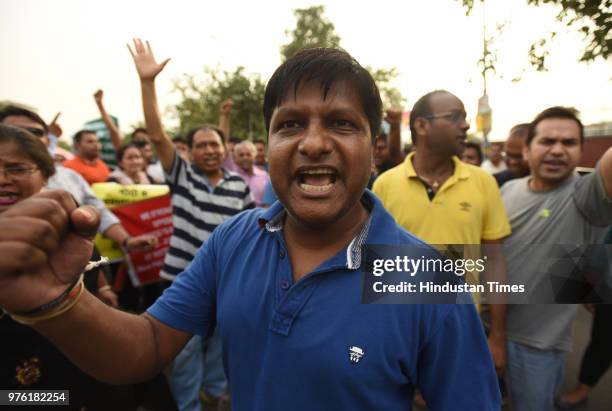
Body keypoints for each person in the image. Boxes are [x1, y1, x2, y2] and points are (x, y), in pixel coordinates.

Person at [0, 45, 501, 410]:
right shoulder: (234, 240)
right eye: (289, 125)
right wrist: (56, 300)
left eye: (342, 124)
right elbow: (147, 346)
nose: (313, 143)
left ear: (376, 147)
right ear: (267, 144)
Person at [129, 39, 253, 410]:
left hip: (227, 280)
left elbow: (249, 230)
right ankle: (188, 406)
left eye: (215, 144)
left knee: (218, 346)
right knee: (182, 353)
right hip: (183, 278)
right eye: (201, 145)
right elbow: (155, 135)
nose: (209, 150)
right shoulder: (182, 175)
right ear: (191, 152)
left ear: (224, 148)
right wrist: (148, 83)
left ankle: (215, 397)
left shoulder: (238, 185)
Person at [373, 90, 511, 380]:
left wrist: (497, 337)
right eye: (455, 117)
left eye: (464, 117)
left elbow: (495, 263)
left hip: (463, 329)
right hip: (399, 333)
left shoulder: (483, 183)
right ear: (421, 126)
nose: (466, 125)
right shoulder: (385, 185)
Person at [0, 124, 135, 410]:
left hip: (79, 384)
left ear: (46, 176)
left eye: (17, 169)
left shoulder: (73, 235)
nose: (2, 179)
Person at [501, 106, 612, 411]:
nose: (557, 150)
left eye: (569, 143)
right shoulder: (507, 190)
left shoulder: (585, 195)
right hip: (488, 329)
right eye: (547, 141)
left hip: (539, 345)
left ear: (581, 151)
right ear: (526, 149)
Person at [0, 105, 156, 252]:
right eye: (13, 131)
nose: (23, 138)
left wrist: (127, 241)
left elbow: (98, 211)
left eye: (35, 132)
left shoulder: (71, 177)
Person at [94, 90, 165, 183]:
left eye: (137, 157)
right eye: (130, 158)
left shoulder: (151, 176)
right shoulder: (114, 180)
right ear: (121, 162)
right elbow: (114, 132)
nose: (135, 161)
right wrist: (100, 105)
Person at [233, 140, 270, 206]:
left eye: (248, 154)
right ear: (235, 158)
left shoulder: (264, 176)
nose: (245, 158)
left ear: (254, 156)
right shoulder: (232, 177)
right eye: (241, 155)